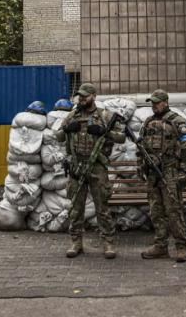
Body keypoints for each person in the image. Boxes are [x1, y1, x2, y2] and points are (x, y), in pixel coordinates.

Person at [54, 82, 124, 259]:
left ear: (94, 96)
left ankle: (108, 242)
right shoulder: (73, 115)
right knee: (76, 208)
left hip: (97, 167)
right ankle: (76, 242)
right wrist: (66, 129)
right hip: (77, 166)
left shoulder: (105, 116)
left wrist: (104, 132)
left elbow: (122, 137)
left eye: (85, 96)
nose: (81, 99)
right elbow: (58, 136)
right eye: (80, 96)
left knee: (102, 207)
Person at [138, 89, 186, 262]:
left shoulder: (177, 122)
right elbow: (140, 147)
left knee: (173, 210)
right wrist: (141, 165)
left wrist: (183, 169)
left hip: (169, 172)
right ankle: (161, 246)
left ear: (165, 102)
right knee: (156, 211)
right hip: (153, 174)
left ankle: (181, 246)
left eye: (157, 102)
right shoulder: (148, 123)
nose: (154, 105)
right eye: (152, 103)